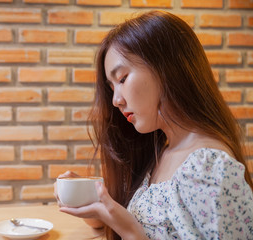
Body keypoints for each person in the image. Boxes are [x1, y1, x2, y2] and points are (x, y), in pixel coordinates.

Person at [54, 10, 253, 240]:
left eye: (122, 79)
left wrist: (130, 232)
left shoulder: (209, 169)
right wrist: (90, 199)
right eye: (112, 88)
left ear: (166, 68)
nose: (116, 100)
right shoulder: (163, 152)